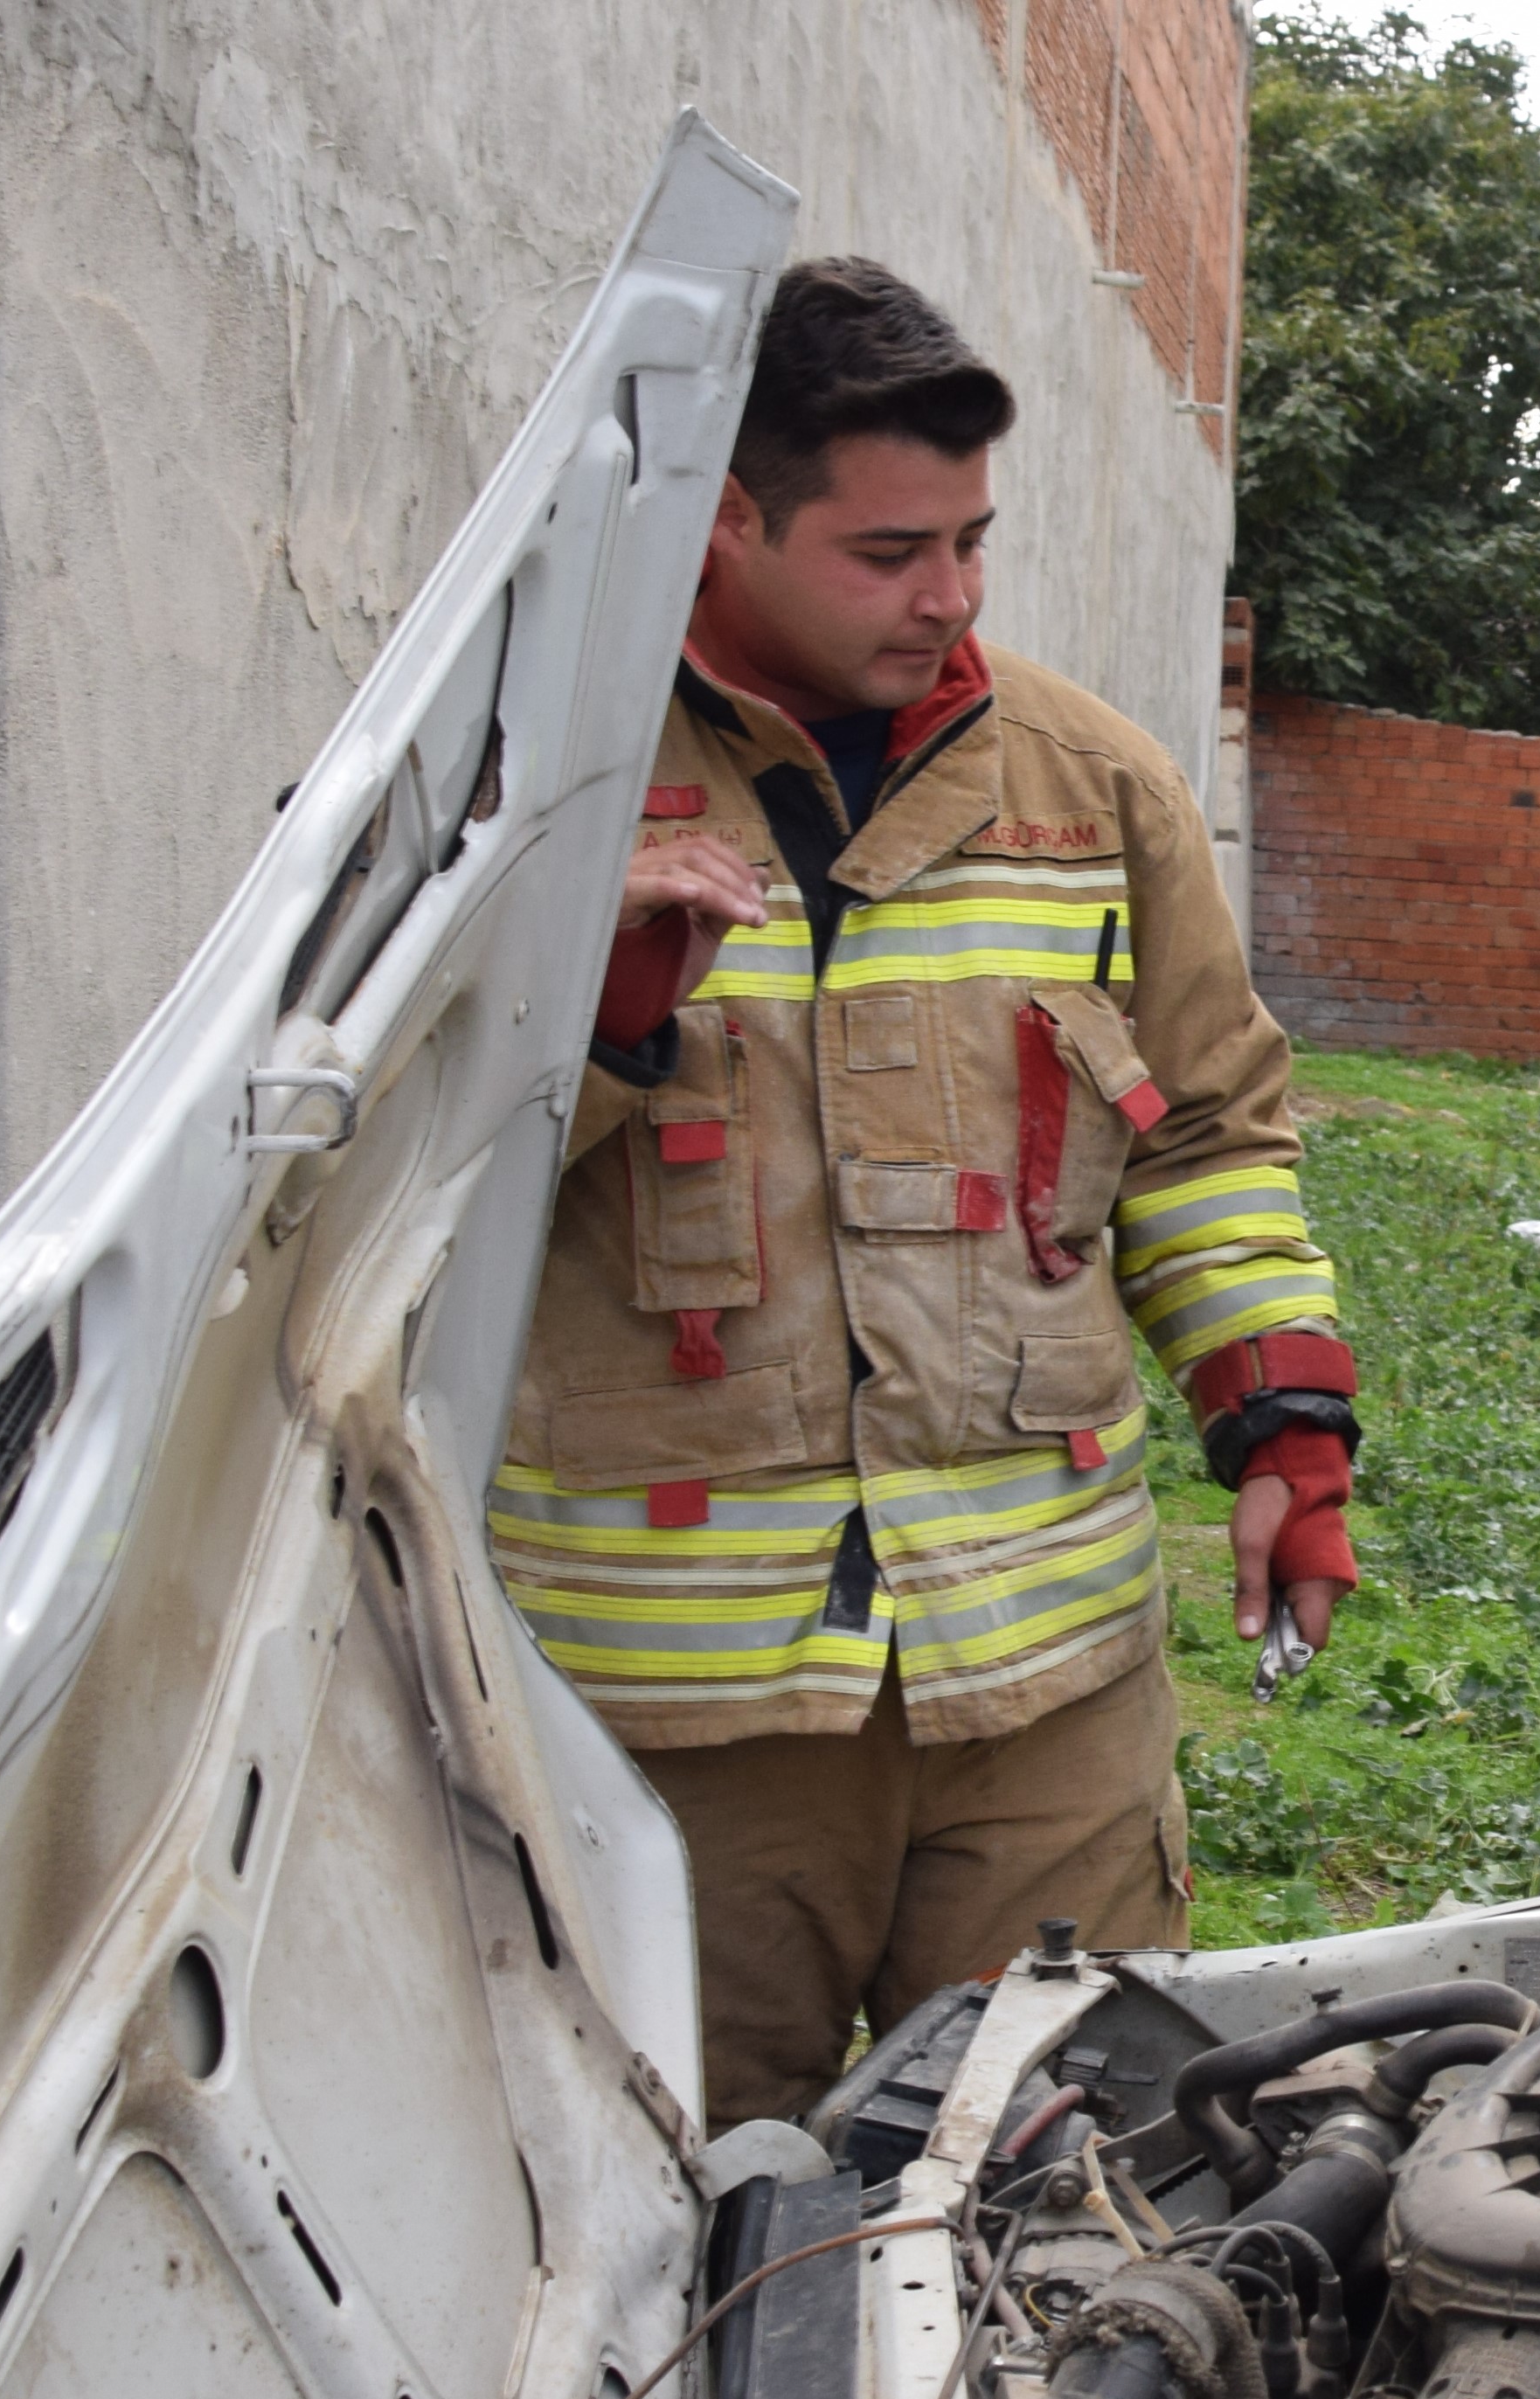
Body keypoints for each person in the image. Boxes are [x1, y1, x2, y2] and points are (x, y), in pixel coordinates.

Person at [490, 260, 1359, 2129]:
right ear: (727, 519)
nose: (951, 595)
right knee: (677, 2211)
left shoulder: (1093, 786)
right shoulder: (541, 774)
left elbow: (1206, 1137)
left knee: (1080, 2170)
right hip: (678, 1724)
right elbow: (389, 1189)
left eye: (971, 540)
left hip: (1044, 1684)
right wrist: (598, 1030)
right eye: (891, 550)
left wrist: (1285, 1416)